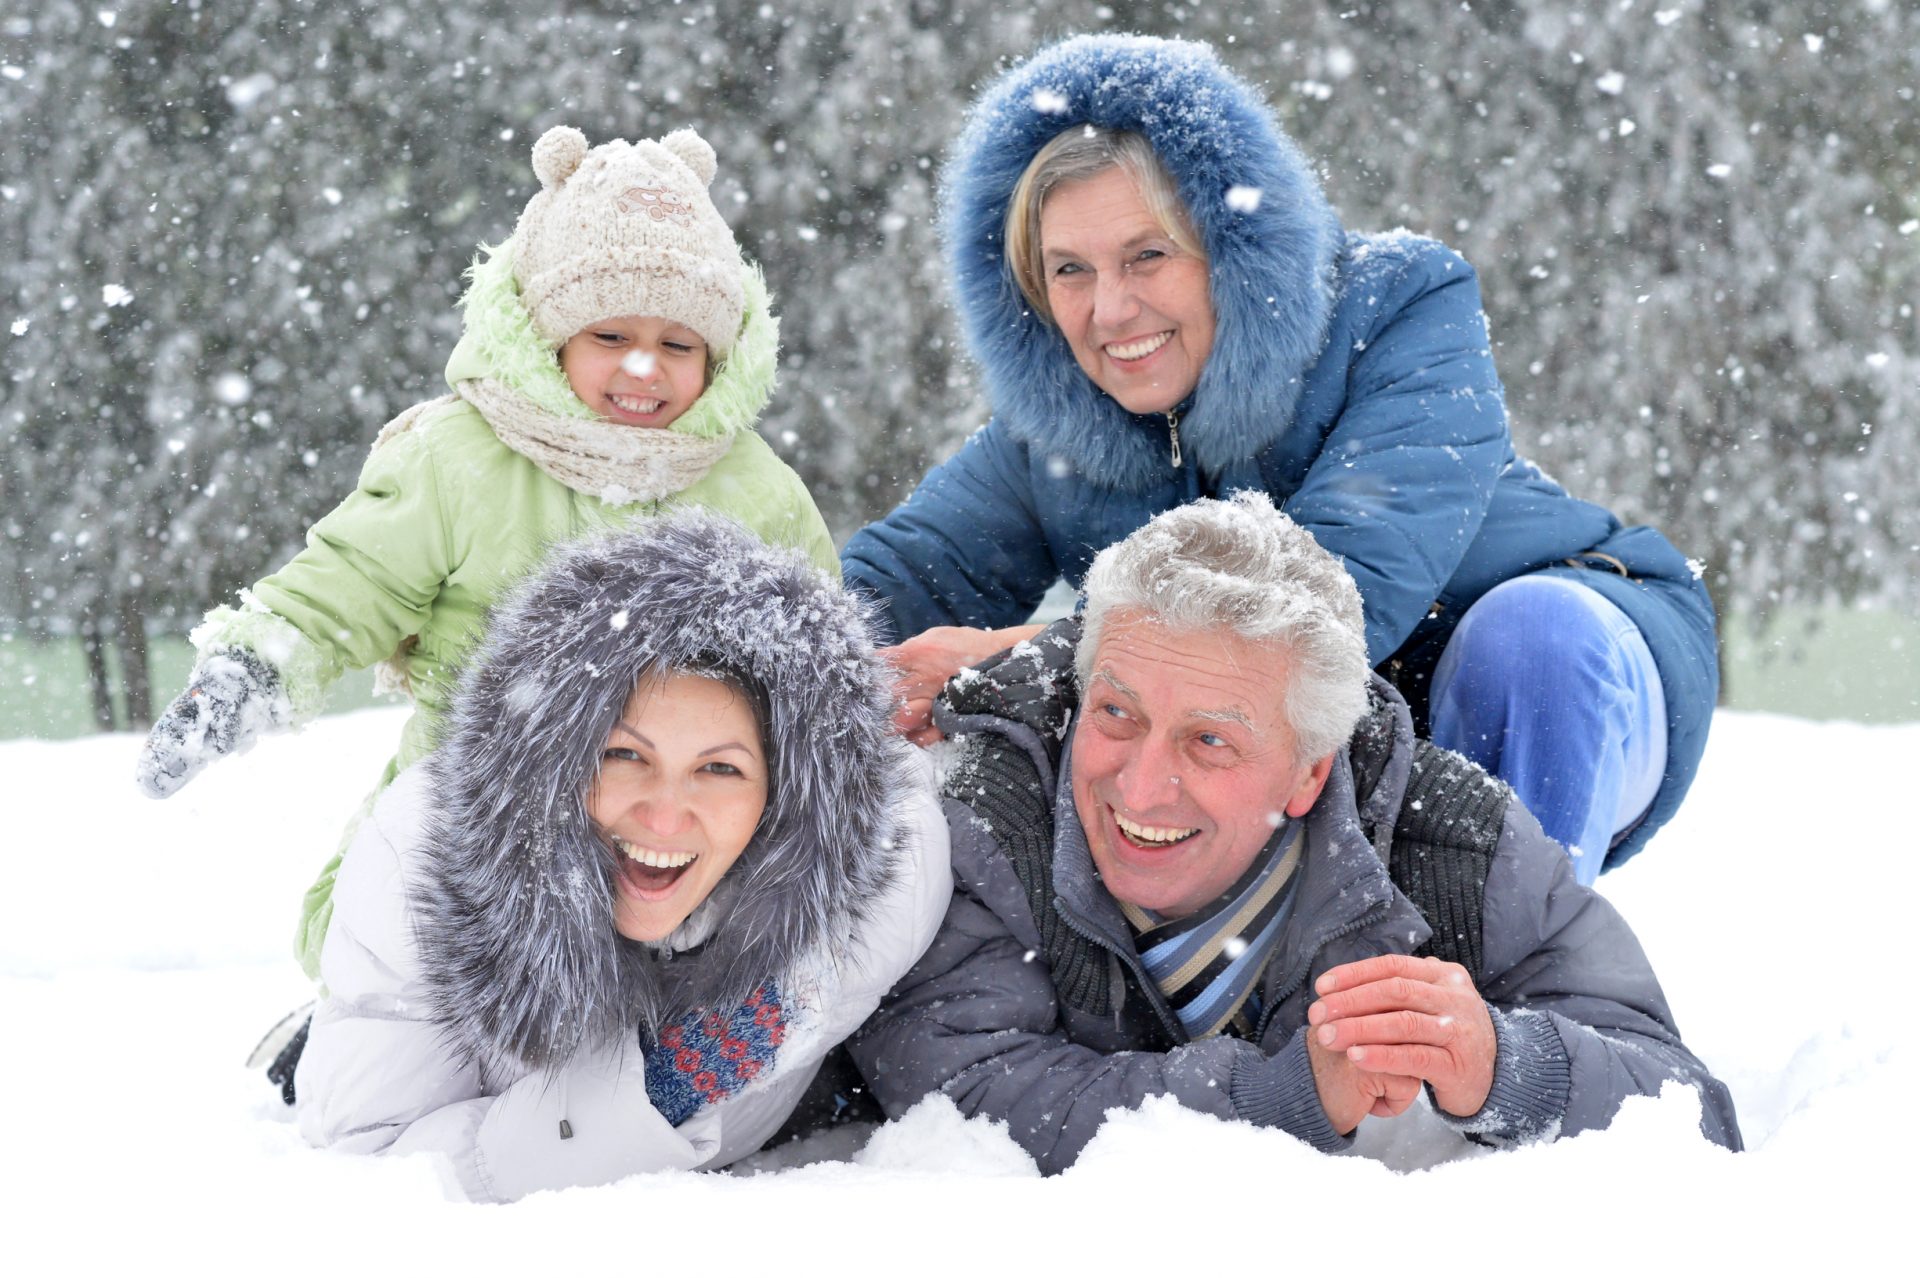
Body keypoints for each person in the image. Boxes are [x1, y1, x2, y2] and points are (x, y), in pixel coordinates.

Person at [841, 34, 1716, 884]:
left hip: (1572, 664)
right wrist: (778, 658)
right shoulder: (1057, 428)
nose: (1109, 310)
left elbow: (1330, 601)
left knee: (1527, 642)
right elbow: (892, 584)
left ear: (1230, 249)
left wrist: (1007, 659)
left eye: (1147, 255)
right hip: (1324, 745)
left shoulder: (1400, 306)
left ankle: (1509, 960)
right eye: (1070, 270)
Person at [848, 492, 1740, 1173]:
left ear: (1313, 769)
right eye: (1116, 713)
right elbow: (955, 1093)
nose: (1141, 784)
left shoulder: (1453, 845)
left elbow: (1687, 1109)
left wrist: (1504, 1065)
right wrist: (1282, 1096)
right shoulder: (986, 815)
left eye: (1209, 741)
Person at [135, 125, 838, 978]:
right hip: (478, 808)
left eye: (678, 345)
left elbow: (817, 658)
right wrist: (255, 667)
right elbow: (352, 579)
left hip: (676, 829)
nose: (643, 367)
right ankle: (377, 1017)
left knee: (721, 961)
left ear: (718, 359)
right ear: (548, 338)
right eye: (609, 337)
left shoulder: (755, 490)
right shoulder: (459, 459)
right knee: (395, 945)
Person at [293, 512, 950, 1201]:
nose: (664, 815)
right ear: (555, 756)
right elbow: (380, 1174)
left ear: (784, 794)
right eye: (625, 755)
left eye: (719, 769)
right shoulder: (416, 862)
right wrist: (656, 1091)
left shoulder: (875, 875)